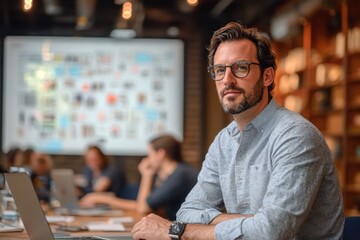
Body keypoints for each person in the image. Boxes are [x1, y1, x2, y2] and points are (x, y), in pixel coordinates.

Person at [131, 22, 344, 240]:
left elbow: (269, 232)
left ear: (267, 77)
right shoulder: (224, 141)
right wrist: (251, 221)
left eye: (241, 67)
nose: (227, 80)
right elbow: (186, 212)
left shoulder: (296, 136)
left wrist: (180, 232)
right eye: (219, 70)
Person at [79, 135, 198, 220]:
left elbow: (143, 207)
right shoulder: (180, 172)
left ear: (161, 154)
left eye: (150, 154)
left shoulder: (180, 175)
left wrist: (146, 175)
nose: (147, 159)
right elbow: (153, 208)